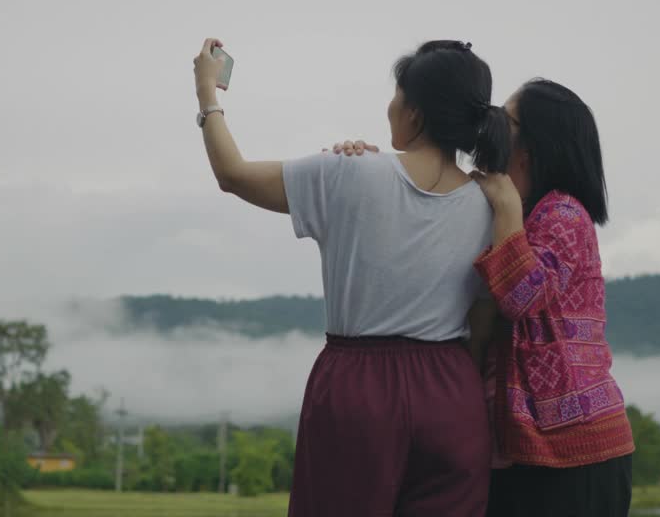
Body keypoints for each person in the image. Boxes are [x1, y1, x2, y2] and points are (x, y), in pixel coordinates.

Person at [193, 38, 510, 516]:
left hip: (359, 388)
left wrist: (206, 96)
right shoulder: (492, 203)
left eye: (397, 95)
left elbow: (232, 174)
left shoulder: (349, 172)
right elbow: (485, 316)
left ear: (415, 114)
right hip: (452, 389)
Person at [332, 78, 635, 517]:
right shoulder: (507, 210)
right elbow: (425, 206)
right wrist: (371, 169)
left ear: (533, 145)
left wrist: (507, 206)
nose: (491, 125)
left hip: (574, 452)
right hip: (516, 448)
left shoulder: (563, 214)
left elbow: (520, 297)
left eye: (507, 119)